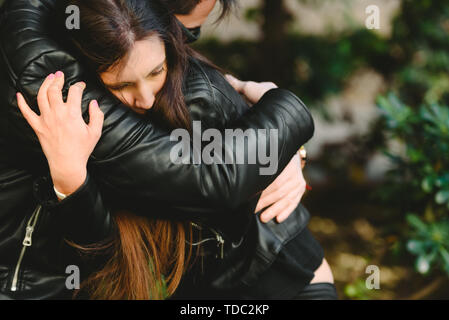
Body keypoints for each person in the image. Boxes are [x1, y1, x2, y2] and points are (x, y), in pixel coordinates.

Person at [13, 0, 336, 299]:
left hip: (287, 279)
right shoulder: (91, 121)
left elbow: (222, 180)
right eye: (122, 85)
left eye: (156, 71)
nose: (146, 98)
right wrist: (71, 180)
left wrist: (287, 145)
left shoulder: (199, 97)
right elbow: (103, 251)